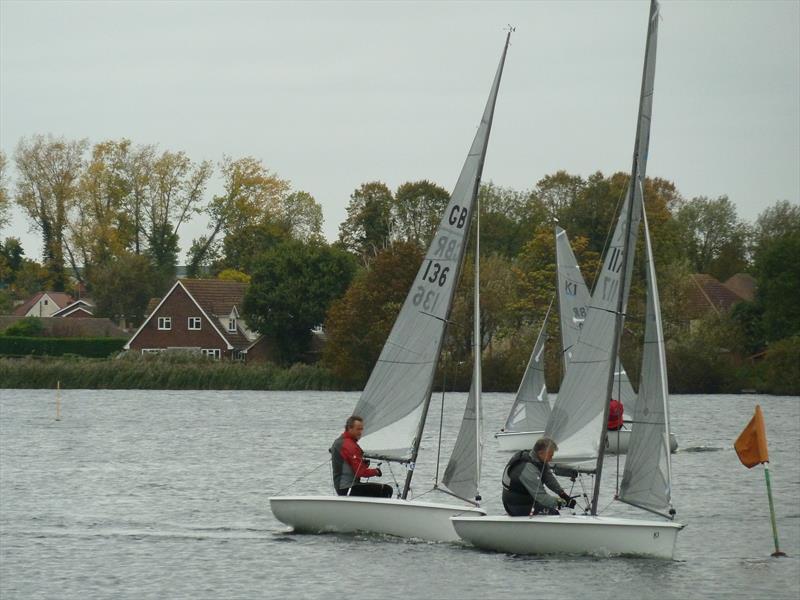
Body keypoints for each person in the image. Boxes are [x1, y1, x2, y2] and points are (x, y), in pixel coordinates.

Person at [501, 437, 577, 516]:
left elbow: (549, 479)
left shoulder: (537, 460)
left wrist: (563, 495)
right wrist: (561, 503)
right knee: (554, 513)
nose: (551, 459)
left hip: (526, 501)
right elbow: (541, 497)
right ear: (540, 453)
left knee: (551, 509)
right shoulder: (528, 468)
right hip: (516, 506)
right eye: (550, 456)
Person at [330, 415, 393, 498]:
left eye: (361, 429)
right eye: (358, 429)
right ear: (350, 428)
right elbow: (360, 472)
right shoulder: (349, 445)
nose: (360, 432)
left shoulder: (340, 441)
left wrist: (363, 463)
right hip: (347, 488)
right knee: (386, 489)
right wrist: (376, 471)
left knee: (373, 489)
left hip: (343, 487)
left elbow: (349, 464)